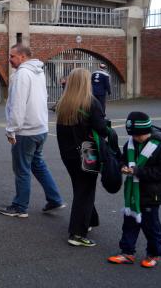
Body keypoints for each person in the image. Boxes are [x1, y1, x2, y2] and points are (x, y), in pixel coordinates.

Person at [0, 44, 65, 218]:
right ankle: (55, 198)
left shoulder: (22, 74)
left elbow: (18, 104)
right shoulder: (39, 72)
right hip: (40, 128)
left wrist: (11, 130)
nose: (10, 59)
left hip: (26, 130)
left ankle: (20, 206)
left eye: (12, 56)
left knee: (22, 169)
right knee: (38, 165)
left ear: (22, 57)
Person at [107, 112, 161, 268]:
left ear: (147, 131)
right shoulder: (130, 143)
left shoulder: (160, 148)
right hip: (133, 195)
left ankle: (154, 253)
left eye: (138, 136)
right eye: (133, 136)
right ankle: (127, 252)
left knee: (151, 227)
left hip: (151, 194)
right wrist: (122, 165)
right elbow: (123, 158)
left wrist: (137, 171)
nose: (135, 138)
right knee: (129, 224)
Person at [56, 68, 108, 247]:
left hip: (68, 154)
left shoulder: (63, 103)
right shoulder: (90, 103)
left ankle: (90, 220)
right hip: (87, 154)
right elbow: (102, 129)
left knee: (80, 187)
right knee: (85, 191)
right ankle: (77, 233)